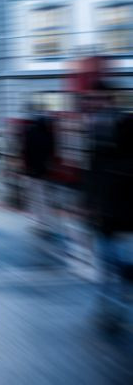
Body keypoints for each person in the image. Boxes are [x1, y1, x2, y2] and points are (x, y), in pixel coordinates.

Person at [83, 83, 133, 329]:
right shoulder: (96, 130)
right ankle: (109, 305)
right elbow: (92, 172)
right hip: (108, 206)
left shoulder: (121, 126)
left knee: (112, 256)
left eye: (97, 99)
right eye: (92, 100)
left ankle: (113, 303)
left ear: (109, 100)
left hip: (118, 204)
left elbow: (96, 170)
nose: (94, 104)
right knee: (107, 257)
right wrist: (89, 202)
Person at [21, 105, 56, 236]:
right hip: (43, 169)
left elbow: (25, 151)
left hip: (32, 170)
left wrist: (26, 168)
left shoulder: (30, 131)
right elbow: (51, 151)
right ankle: (46, 222)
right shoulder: (48, 133)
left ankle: (40, 222)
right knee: (43, 197)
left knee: (35, 197)